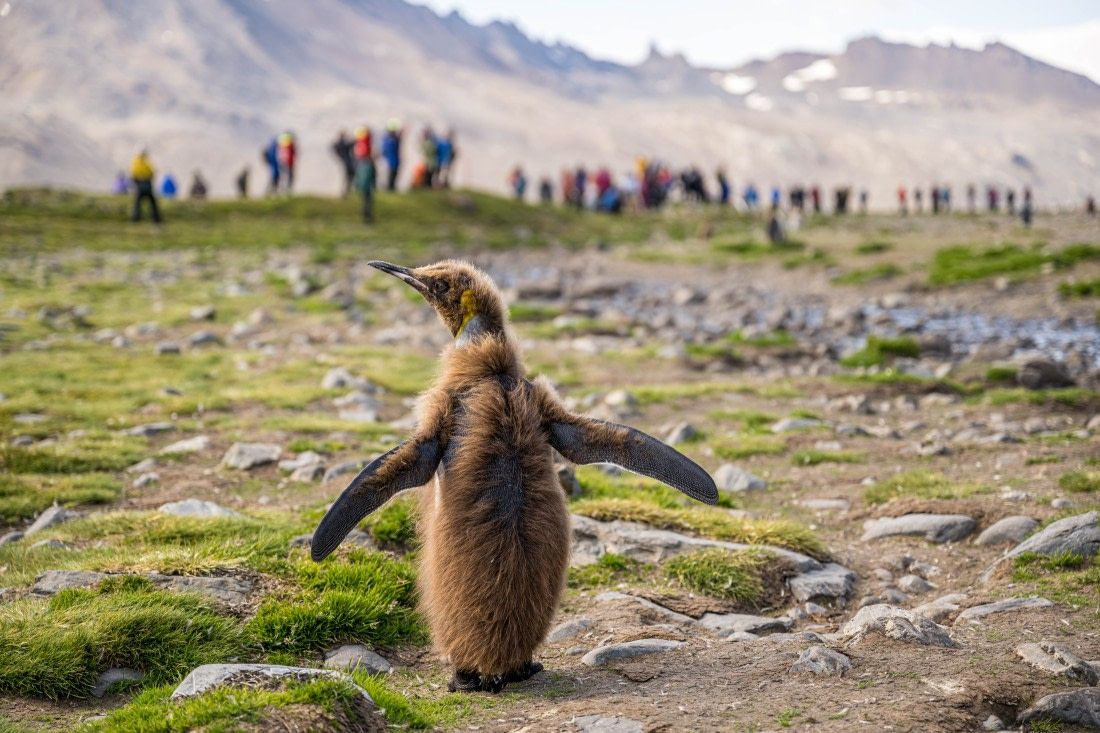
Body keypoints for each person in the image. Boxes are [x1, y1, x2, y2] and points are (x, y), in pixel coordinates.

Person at [129, 149, 161, 223]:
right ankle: (156, 219)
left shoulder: (135, 162)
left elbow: (133, 174)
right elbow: (152, 172)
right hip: (147, 184)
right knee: (152, 203)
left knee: (137, 203)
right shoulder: (146, 162)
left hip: (139, 185)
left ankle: (135, 218)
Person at [354, 145, 376, 223]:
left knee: (366, 201)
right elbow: (373, 177)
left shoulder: (361, 164)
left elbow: (358, 176)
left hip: (363, 186)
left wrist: (357, 185)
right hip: (368, 187)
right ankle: (367, 216)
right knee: (368, 201)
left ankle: (365, 214)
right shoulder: (370, 165)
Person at [332, 131, 355, 196]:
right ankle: (344, 191)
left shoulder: (340, 144)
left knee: (349, 177)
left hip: (347, 163)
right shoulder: (341, 144)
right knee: (346, 177)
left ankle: (346, 191)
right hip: (345, 163)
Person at [382, 119, 402, 191]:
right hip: (392, 161)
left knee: (393, 175)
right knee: (391, 176)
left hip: (392, 160)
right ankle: (390, 189)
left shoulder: (387, 139)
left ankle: (391, 188)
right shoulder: (391, 140)